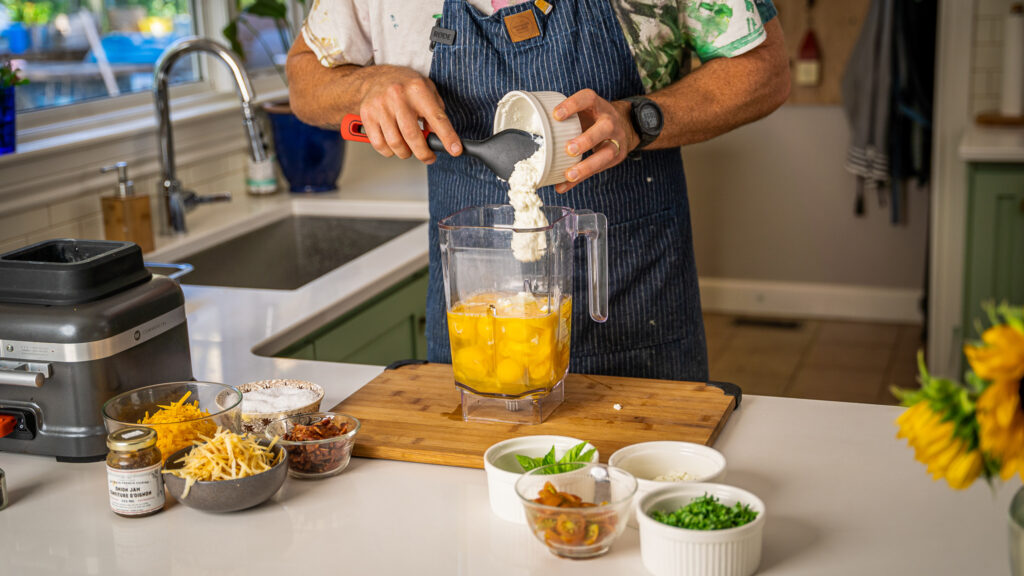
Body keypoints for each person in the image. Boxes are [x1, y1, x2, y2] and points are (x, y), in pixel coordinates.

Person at [287, 0, 790, 382]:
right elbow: (304, 78)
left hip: (639, 311)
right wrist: (367, 85)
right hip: (477, 327)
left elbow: (765, 66)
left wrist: (638, 120)